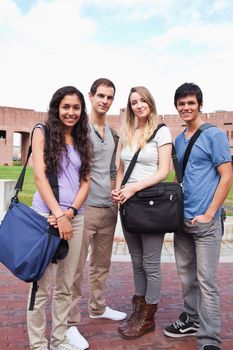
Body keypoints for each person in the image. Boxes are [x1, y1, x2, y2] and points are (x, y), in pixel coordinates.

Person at [163, 83, 232, 350]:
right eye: (181, 104)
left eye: (190, 103)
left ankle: (210, 339)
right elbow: (180, 177)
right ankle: (191, 320)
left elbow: (226, 176)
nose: (186, 108)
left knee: (207, 282)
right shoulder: (179, 140)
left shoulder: (213, 135)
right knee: (186, 278)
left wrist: (210, 213)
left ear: (200, 104)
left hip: (206, 223)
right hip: (182, 222)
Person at [27, 86, 92, 350]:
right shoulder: (41, 132)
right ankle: (38, 344)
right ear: (57, 107)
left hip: (74, 218)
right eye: (66, 107)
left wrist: (71, 212)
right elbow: (40, 177)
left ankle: (59, 340)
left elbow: (85, 182)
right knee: (40, 287)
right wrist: (57, 214)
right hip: (46, 217)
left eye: (76, 108)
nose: (71, 112)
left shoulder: (83, 139)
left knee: (66, 286)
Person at [112, 86, 172, 339]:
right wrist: (118, 191)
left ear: (150, 103)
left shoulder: (161, 131)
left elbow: (163, 171)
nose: (138, 105)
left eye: (142, 100)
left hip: (150, 204)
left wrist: (133, 188)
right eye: (134, 102)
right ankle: (138, 311)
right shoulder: (127, 132)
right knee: (137, 262)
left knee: (150, 263)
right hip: (128, 204)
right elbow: (121, 168)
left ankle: (148, 317)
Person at [68, 78, 126, 323]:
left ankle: (98, 307)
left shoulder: (112, 133)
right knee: (75, 268)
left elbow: (113, 170)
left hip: (108, 207)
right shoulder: (79, 129)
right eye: (101, 95)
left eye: (109, 97)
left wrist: (116, 191)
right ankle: (70, 321)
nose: (105, 101)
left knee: (101, 265)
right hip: (84, 208)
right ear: (90, 96)